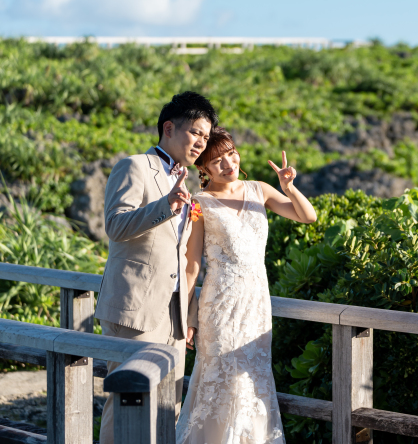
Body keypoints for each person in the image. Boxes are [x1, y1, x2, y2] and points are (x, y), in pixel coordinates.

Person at [176, 127, 317, 444]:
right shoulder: (200, 203)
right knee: (225, 381)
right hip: (220, 307)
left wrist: (289, 187)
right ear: (203, 168)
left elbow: (308, 217)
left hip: (256, 305)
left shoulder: (260, 190)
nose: (228, 163)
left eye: (231, 154)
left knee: (252, 381)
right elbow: (192, 263)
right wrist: (188, 315)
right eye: (217, 160)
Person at [96, 91, 218, 444]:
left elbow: (183, 258)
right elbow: (116, 226)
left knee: (169, 407)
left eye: (206, 137)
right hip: (136, 308)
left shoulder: (186, 181)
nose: (200, 142)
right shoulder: (134, 166)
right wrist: (164, 205)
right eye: (196, 132)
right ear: (169, 127)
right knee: (126, 405)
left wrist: (191, 312)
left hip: (175, 316)